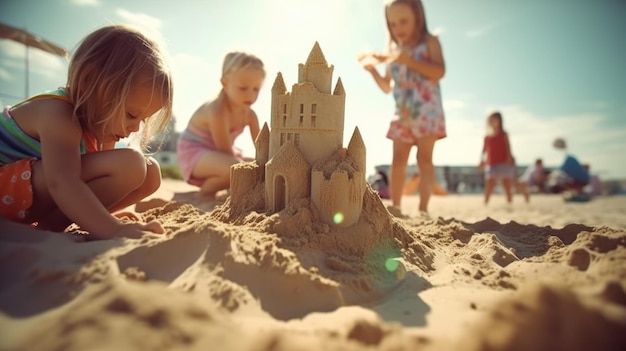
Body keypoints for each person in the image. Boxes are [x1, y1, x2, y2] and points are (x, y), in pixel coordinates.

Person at [0, 24, 174, 239]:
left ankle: (51, 227)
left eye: (142, 120)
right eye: (131, 115)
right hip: (5, 189)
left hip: (25, 193)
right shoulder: (57, 114)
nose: (135, 128)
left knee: (150, 173)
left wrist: (108, 213)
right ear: (88, 81)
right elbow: (62, 180)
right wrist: (113, 228)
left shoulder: (97, 126)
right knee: (130, 164)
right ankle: (54, 227)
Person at [359, 0, 446, 213]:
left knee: (424, 160)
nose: (398, 28)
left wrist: (410, 61)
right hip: (402, 113)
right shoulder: (393, 52)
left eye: (404, 21)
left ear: (418, 17)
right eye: (393, 24)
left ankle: (423, 208)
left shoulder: (430, 42)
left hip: (427, 111)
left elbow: (439, 71)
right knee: (398, 160)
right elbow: (387, 87)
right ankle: (396, 207)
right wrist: (372, 72)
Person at [177, 52, 264, 198]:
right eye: (243, 88)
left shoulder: (250, 115)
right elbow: (224, 150)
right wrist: (245, 167)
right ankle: (205, 193)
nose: (250, 95)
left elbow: (263, 148)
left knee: (258, 166)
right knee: (238, 168)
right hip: (195, 151)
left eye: (256, 89)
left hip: (222, 155)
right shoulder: (217, 111)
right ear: (225, 83)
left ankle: (219, 185)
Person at [478, 112, 516, 205]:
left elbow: (508, 147)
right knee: (489, 182)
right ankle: (486, 202)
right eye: (490, 120)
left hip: (504, 162)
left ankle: (509, 202)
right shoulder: (487, 136)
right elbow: (484, 150)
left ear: (500, 121)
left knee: (506, 184)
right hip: (491, 162)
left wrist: (509, 157)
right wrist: (481, 160)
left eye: (494, 119)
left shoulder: (504, 134)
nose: (492, 122)